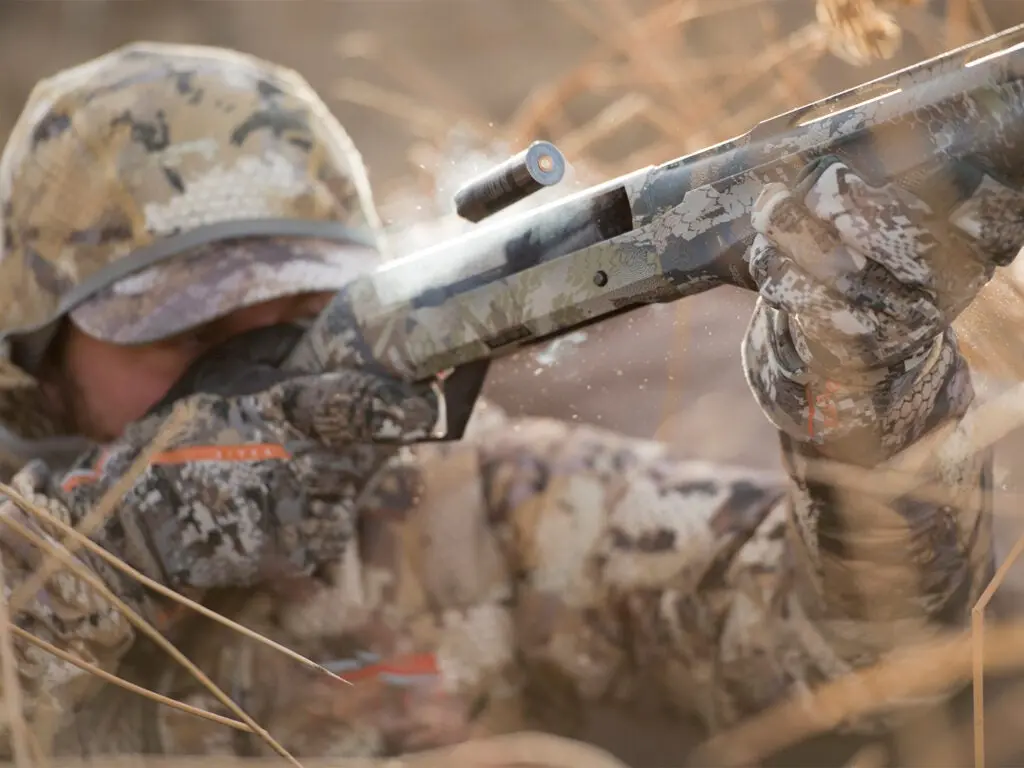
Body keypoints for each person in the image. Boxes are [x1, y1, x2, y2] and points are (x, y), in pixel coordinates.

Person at [0, 40, 1020, 763]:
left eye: (298, 320)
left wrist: (865, 386)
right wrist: (110, 542)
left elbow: (863, 658)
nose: (259, 377)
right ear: (36, 360)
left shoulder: (470, 502)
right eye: (187, 333)